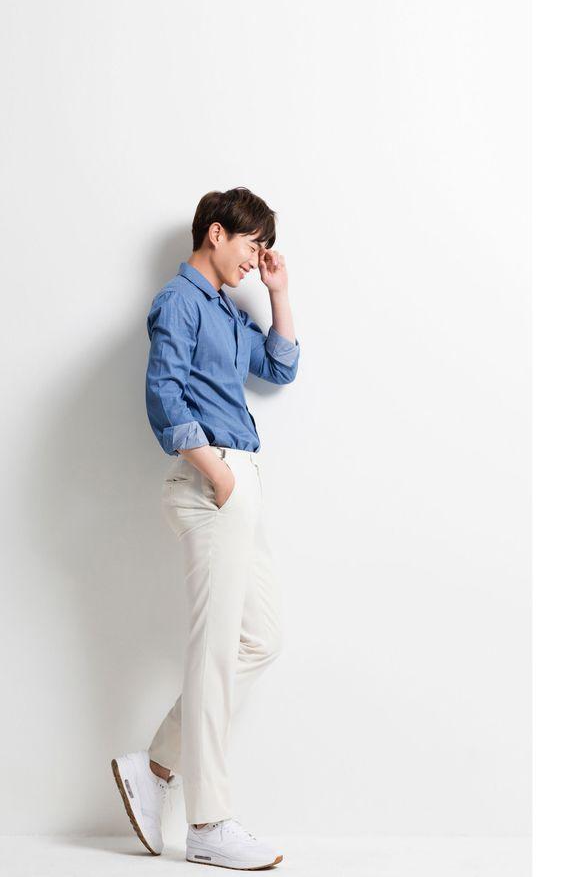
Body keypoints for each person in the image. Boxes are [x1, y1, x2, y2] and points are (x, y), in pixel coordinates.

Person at [111, 187, 299, 869]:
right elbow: (163, 391)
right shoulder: (179, 300)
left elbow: (280, 366)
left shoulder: (227, 309)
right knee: (214, 649)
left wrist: (278, 292)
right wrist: (215, 471)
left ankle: (156, 765)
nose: (256, 257)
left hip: (237, 482)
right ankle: (208, 822)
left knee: (260, 639)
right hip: (209, 483)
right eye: (252, 243)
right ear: (215, 233)